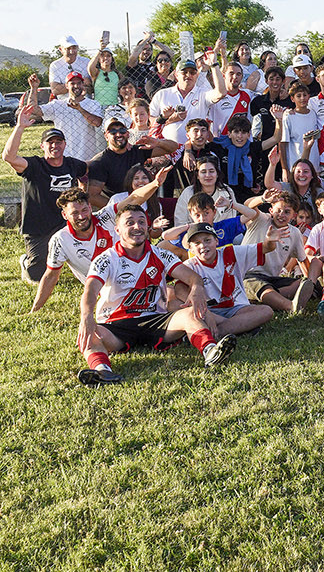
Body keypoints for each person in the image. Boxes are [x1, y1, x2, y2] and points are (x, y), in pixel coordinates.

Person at [75, 203, 237, 386]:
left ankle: (211, 352)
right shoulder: (106, 259)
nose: (137, 227)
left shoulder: (161, 254)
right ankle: (102, 372)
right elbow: (90, 289)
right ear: (117, 230)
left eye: (141, 222)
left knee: (189, 314)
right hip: (116, 325)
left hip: (156, 320)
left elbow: (192, 277)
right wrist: (87, 315)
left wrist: (197, 288)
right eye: (130, 223)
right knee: (89, 332)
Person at [32, 171, 169, 312]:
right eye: (74, 213)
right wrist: (35, 309)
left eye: (85, 210)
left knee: (172, 295)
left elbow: (133, 199)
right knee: (166, 298)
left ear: (90, 207)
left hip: (137, 275)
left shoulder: (106, 216)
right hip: (107, 292)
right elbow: (51, 276)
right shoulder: (60, 240)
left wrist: (155, 183)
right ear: (64, 215)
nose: (81, 216)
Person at [5, 101, 90, 284]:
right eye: (50, 142)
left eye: (58, 142)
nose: (55, 146)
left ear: (64, 144)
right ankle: (26, 261)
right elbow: (9, 157)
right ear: (42, 146)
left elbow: (86, 173)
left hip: (66, 223)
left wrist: (84, 194)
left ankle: (69, 253)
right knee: (36, 277)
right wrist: (20, 127)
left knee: (87, 257)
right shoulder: (34, 166)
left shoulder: (72, 164)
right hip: (39, 227)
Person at [29, 71, 105, 162]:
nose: (76, 86)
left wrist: (80, 109)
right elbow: (33, 110)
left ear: (83, 84)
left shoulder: (93, 104)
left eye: (79, 83)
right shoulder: (57, 104)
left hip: (88, 157)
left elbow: (97, 123)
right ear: (66, 86)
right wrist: (33, 88)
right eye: (72, 83)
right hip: (64, 157)